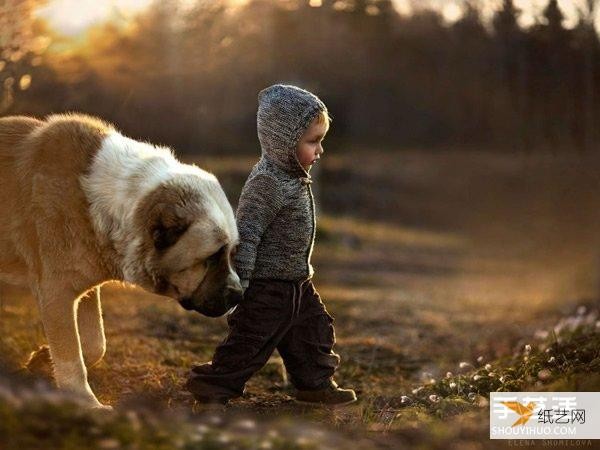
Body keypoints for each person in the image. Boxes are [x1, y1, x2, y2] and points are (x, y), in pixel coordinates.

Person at [185, 84, 356, 405]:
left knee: (314, 333)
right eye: (313, 142)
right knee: (250, 342)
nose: (320, 151)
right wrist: (240, 284)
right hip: (266, 287)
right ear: (284, 142)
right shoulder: (267, 182)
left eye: (321, 141)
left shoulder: (294, 176)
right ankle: (214, 385)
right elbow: (246, 235)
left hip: (297, 283)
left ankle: (314, 384)